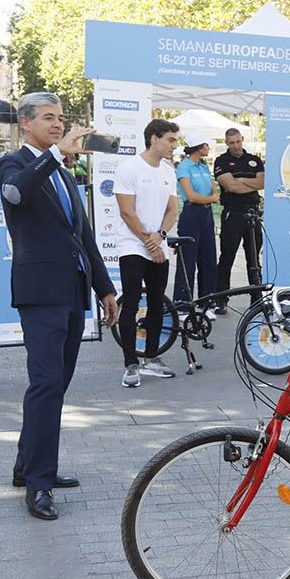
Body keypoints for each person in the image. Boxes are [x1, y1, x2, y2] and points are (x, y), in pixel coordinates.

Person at [0, 92, 118, 521]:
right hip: (39, 293)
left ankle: (27, 467)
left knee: (55, 386)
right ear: (26, 123)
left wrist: (105, 288)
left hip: (72, 291)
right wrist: (55, 155)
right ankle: (39, 484)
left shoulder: (65, 176)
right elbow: (15, 194)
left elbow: (83, 236)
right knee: (46, 384)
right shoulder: (13, 164)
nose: (57, 125)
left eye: (61, 119)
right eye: (49, 118)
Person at [114, 118, 181, 387]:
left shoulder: (168, 171)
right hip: (132, 246)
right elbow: (126, 212)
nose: (174, 146)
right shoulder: (129, 167)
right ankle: (131, 364)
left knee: (156, 303)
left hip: (158, 245)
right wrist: (148, 241)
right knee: (131, 304)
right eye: (170, 140)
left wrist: (160, 237)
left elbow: (172, 210)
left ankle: (151, 358)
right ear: (154, 138)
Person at [213, 128, 265, 311]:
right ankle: (221, 300)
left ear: (242, 139)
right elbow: (231, 186)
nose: (236, 146)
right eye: (231, 143)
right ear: (226, 143)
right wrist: (247, 183)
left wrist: (240, 179)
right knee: (227, 257)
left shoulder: (254, 160)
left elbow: (262, 183)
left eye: (238, 141)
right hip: (232, 213)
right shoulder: (221, 161)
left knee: (254, 259)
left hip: (252, 213)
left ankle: (256, 300)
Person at [173, 130, 220, 306]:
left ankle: (206, 302)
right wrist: (212, 198)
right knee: (188, 261)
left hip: (206, 215)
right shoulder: (184, 167)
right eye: (206, 144)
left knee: (208, 260)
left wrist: (211, 198)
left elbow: (213, 188)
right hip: (191, 214)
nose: (208, 147)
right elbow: (191, 196)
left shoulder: (203, 166)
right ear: (198, 147)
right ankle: (182, 303)